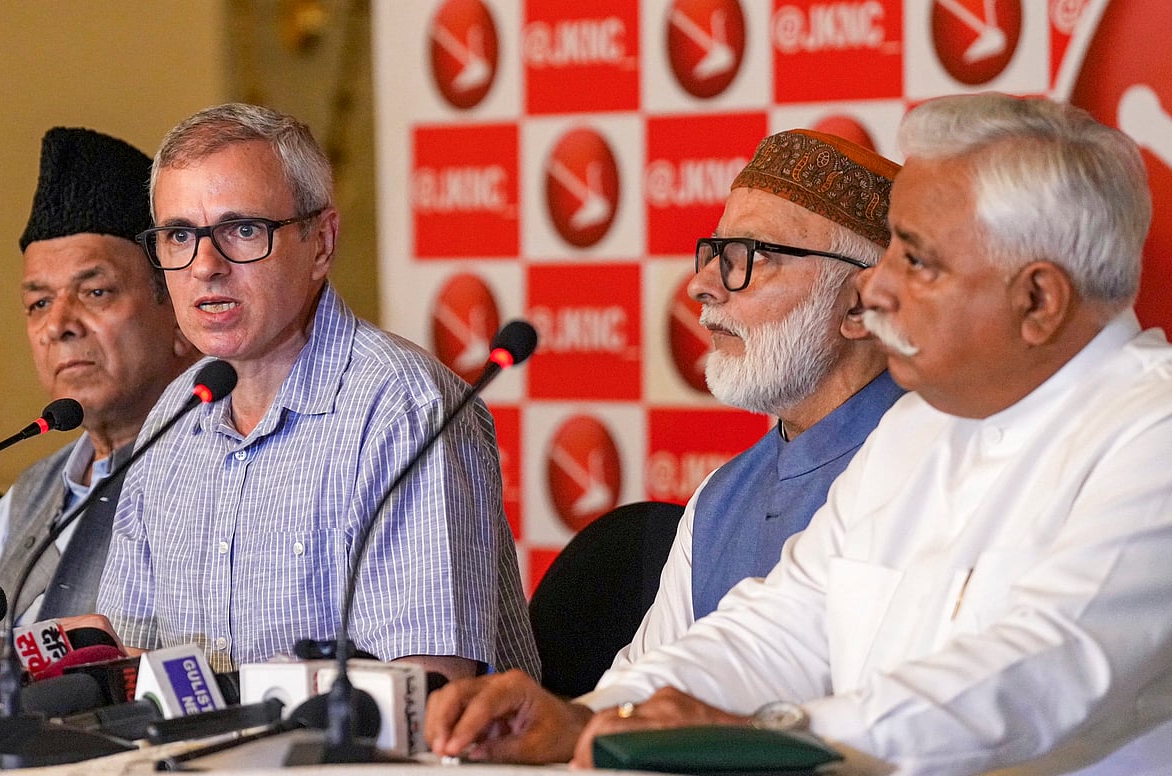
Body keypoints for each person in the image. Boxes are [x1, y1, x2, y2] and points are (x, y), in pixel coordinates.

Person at [426, 92, 1172, 774]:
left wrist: (764, 734)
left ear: (1037, 298)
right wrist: (593, 717)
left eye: (914, 260)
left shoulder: (1151, 433)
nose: (877, 287)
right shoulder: (919, 427)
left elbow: (1037, 669)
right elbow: (781, 626)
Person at [95, 103, 539, 681]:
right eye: (179, 235)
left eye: (243, 230)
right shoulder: (176, 417)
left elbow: (427, 689)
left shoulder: (405, 408)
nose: (205, 266)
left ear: (321, 242)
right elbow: (130, 665)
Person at [612, 130, 903, 670]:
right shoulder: (718, 499)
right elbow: (647, 687)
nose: (702, 285)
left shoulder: (934, 465)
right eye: (716, 251)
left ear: (862, 305)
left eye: (752, 256)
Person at [0, 127, 197, 626]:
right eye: (39, 303)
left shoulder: (223, 477)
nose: (58, 325)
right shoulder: (20, 503)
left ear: (180, 313)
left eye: (95, 293)